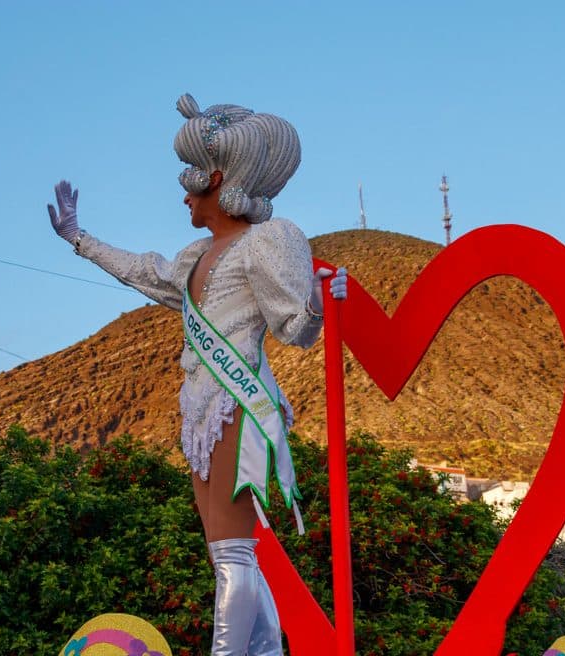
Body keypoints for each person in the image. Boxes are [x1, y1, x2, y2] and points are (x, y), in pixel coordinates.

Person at [47, 93, 346, 656]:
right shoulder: (195, 255)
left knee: (233, 554)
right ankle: (266, 650)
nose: (183, 194)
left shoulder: (269, 240)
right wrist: (80, 241)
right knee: (228, 556)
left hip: (238, 402)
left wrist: (317, 299)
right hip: (199, 409)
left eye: (189, 180)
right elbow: (146, 272)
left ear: (216, 180)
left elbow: (295, 328)